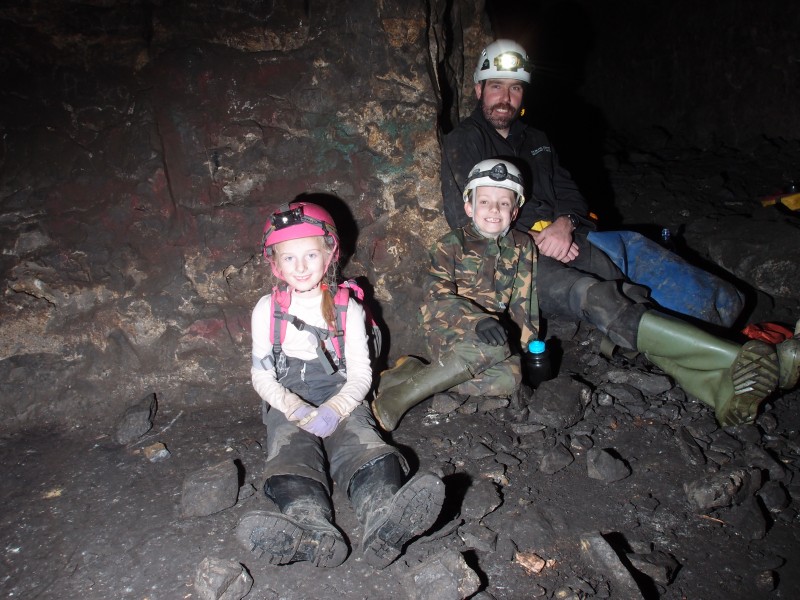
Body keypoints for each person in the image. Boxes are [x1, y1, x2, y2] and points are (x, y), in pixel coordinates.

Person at [439, 39, 800, 427]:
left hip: (567, 240)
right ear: (478, 90)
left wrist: (566, 225)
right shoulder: (465, 141)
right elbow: (477, 221)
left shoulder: (538, 140)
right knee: (598, 297)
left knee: (660, 285)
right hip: (515, 260)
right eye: (496, 86)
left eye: (515, 88)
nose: (504, 97)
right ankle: (737, 364)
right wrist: (535, 240)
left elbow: (572, 197)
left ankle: (731, 372)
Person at [236, 201, 445, 569]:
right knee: (289, 454)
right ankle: (310, 526)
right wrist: (294, 408)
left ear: (330, 252)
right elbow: (262, 375)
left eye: (310, 254)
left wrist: (335, 409)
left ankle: (382, 514)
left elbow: (361, 375)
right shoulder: (266, 310)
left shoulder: (347, 307)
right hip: (289, 401)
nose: (300, 267)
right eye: (289, 258)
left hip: (340, 395)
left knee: (364, 445)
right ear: (275, 262)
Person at [373, 159, 539, 431]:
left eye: (504, 203)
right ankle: (397, 398)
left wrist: (529, 347)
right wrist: (476, 320)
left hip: (494, 338)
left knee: (509, 380)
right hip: (447, 327)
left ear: (516, 210)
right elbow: (435, 294)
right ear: (469, 207)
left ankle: (415, 373)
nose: (494, 210)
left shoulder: (523, 246)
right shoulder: (450, 244)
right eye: (484, 201)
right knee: (493, 347)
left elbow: (525, 300)